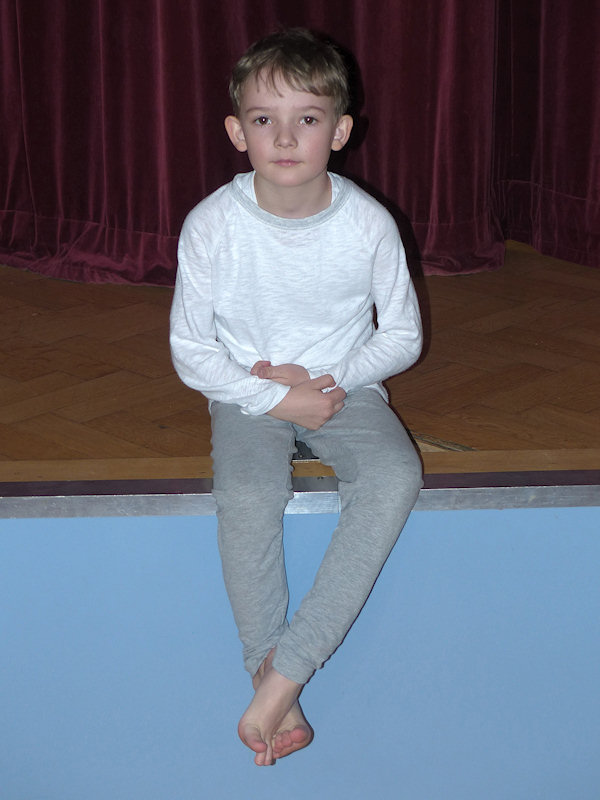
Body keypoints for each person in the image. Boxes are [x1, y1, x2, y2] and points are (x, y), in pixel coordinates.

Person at [170, 27, 423, 766]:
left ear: (340, 131)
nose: (284, 138)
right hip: (247, 392)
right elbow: (191, 351)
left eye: (306, 119)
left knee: (395, 476)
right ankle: (267, 670)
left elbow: (403, 335)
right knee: (249, 490)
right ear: (236, 132)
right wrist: (272, 396)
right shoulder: (212, 225)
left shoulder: (367, 223)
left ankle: (285, 673)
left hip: (345, 387)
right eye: (264, 119)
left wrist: (327, 383)